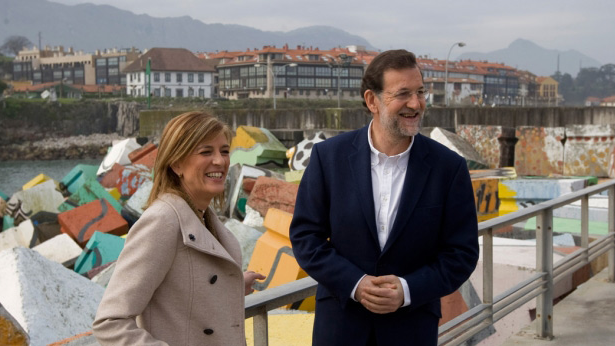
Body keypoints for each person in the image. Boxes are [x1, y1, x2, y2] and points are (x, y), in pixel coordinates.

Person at [289, 49, 479, 345]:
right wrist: (356, 284)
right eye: (403, 94)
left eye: (420, 92)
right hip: (341, 327)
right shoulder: (329, 158)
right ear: (371, 101)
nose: (415, 104)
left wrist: (407, 289)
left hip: (411, 328)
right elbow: (305, 237)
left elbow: (461, 254)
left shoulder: (448, 168)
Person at [93, 111, 265, 345]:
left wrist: (230, 285)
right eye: (206, 152)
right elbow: (110, 323)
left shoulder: (203, 216)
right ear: (176, 163)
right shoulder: (162, 221)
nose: (220, 161)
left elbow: (187, 283)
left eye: (224, 151)